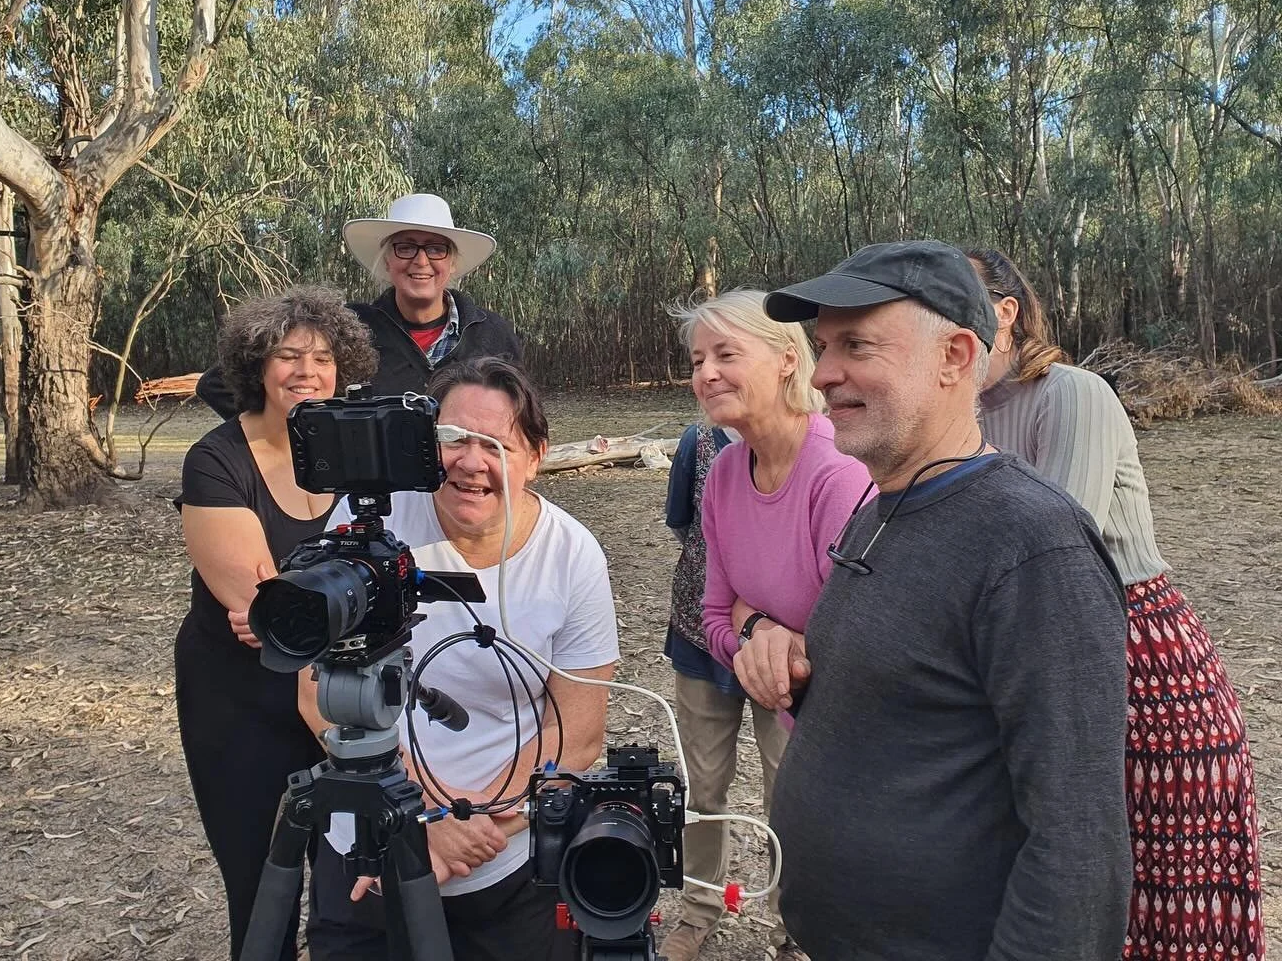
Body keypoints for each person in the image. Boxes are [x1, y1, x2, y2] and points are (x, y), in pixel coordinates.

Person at [760, 240, 1132, 960]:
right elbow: (915, 703)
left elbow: (1078, 843)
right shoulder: (881, 509)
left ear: (956, 357)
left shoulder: (1030, 546)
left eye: (857, 346)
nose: (824, 373)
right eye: (823, 346)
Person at [969, 247, 1264, 961]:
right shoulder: (967, 413)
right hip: (1029, 648)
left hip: (1138, 654)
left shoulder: (1071, 393)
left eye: (954, 299)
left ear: (1005, 314)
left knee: (1157, 875)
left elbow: (1053, 549)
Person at [300, 357, 619, 961]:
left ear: (536, 457)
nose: (472, 462)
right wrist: (421, 816)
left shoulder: (572, 555)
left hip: (508, 855)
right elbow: (314, 694)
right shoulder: (370, 518)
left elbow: (576, 731)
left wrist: (467, 833)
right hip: (372, 837)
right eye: (452, 439)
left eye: (498, 444)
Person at [660, 290, 871, 961]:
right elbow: (715, 611)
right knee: (702, 787)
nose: (707, 374)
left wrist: (773, 642)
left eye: (726, 354)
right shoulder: (722, 469)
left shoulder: (835, 471)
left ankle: (798, 928)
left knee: (798, 803)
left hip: (826, 701)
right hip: (759, 670)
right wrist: (757, 635)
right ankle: (699, 909)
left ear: (787, 361)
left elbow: (851, 638)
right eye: (698, 360)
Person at [175, 285, 378, 960]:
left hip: (343, 695)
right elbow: (271, 613)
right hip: (241, 703)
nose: (306, 371)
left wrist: (299, 606)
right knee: (263, 887)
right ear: (257, 365)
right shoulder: (217, 460)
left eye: (322, 358)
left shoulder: (357, 449)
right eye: (289, 355)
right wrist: (297, 606)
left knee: (352, 882)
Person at [197, 193, 523, 414]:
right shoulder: (346, 328)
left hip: (463, 494)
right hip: (369, 503)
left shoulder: (492, 334)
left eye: (436, 249)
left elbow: (519, 415)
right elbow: (218, 384)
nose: (421, 261)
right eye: (405, 247)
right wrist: (306, 431)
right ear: (386, 261)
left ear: (452, 263)